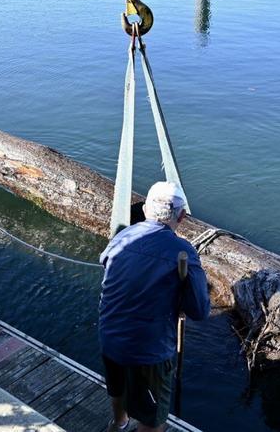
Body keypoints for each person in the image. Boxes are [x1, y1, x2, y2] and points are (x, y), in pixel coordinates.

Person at [98, 181, 210, 432]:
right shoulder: (183, 252)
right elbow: (199, 311)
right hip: (148, 351)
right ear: (181, 216)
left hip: (109, 336)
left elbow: (107, 265)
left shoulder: (122, 236)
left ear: (146, 209)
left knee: (117, 384)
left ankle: (119, 423)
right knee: (152, 417)